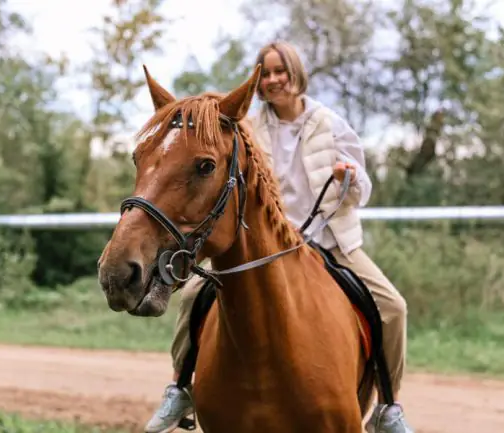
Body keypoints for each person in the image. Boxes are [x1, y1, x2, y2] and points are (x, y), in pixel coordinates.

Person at [144, 41, 414, 433]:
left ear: (296, 74)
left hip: (331, 241)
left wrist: (349, 178)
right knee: (192, 298)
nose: (272, 80)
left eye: (279, 71)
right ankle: (180, 387)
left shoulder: (330, 124)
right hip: (271, 244)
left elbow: (362, 191)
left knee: (393, 307)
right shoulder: (248, 129)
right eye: (265, 73)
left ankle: (389, 407)